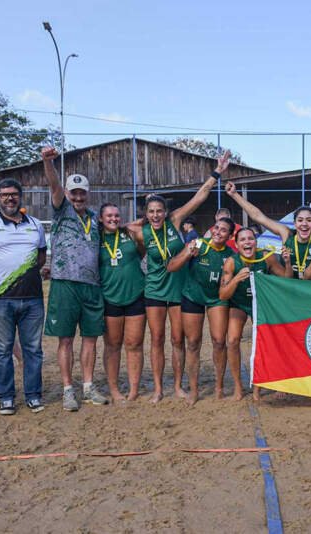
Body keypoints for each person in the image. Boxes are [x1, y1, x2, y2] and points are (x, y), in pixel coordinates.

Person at [130, 151, 231, 403]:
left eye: (159, 211)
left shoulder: (175, 221)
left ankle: (177, 386)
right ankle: (157, 389)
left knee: (178, 339)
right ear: (146, 213)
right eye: (151, 211)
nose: (156, 215)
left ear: (166, 211)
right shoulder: (141, 233)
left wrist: (217, 172)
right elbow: (121, 229)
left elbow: (200, 196)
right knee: (156, 339)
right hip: (154, 289)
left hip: (179, 289)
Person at [41, 146, 109, 411]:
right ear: (67, 193)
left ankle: (89, 387)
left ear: (87, 194)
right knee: (66, 339)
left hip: (92, 286)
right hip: (65, 283)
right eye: (74, 193)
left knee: (91, 338)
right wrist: (48, 162)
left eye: (82, 193)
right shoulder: (62, 210)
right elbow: (54, 186)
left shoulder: (94, 218)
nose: (78, 197)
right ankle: (68, 389)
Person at [0, 178, 47, 415]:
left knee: (33, 350)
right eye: (4, 194)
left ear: (20, 196)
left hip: (32, 298)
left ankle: (33, 395)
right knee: (3, 350)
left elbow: (41, 256)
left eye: (14, 194)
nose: (9, 198)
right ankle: (6, 398)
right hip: (0, 299)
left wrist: (26, 274)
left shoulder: (35, 224)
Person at [167, 217, 235, 406]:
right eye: (216, 228)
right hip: (193, 296)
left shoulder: (231, 255)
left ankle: (219, 387)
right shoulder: (197, 244)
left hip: (216, 299)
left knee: (219, 341)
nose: (218, 232)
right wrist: (187, 254)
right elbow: (171, 267)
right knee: (193, 343)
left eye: (223, 230)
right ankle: (194, 390)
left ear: (230, 236)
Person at [219, 226, 292, 400]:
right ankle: (238, 386)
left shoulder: (266, 257)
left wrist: (288, 263)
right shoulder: (231, 262)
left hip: (260, 303)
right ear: (237, 245)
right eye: (243, 240)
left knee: (264, 341)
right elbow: (222, 294)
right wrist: (236, 279)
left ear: (256, 242)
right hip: (239, 303)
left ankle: (260, 386)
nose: (247, 242)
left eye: (250, 239)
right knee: (232, 340)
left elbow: (287, 279)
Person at [225, 186, 311, 279]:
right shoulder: (286, 234)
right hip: (286, 286)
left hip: (310, 288)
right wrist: (234, 194)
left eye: (309, 220)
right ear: (294, 223)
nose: (304, 224)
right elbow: (258, 217)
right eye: (300, 220)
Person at [98, 203, 146, 402]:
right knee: (112, 345)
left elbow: (142, 249)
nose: (113, 219)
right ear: (101, 219)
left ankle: (134, 389)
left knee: (134, 344)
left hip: (136, 294)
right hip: (110, 297)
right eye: (109, 216)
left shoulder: (130, 234)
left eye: (117, 215)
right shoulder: (96, 238)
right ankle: (114, 389)